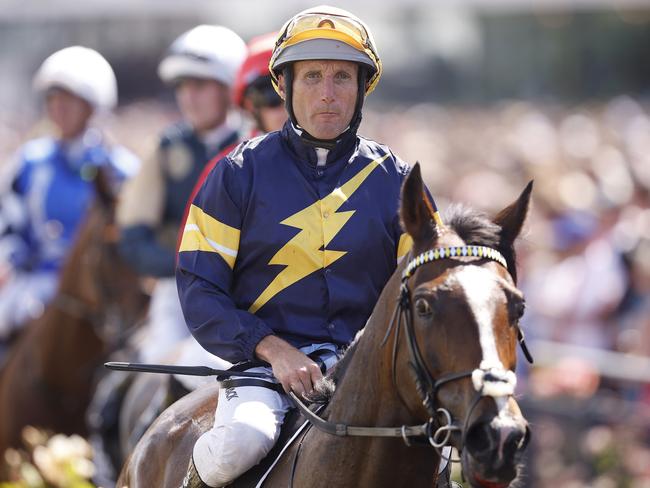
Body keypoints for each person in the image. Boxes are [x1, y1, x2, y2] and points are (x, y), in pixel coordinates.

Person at [176, 7, 451, 487]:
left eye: (343, 77)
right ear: (284, 86)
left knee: (454, 459)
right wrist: (272, 349)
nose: (328, 94)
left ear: (362, 87)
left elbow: (432, 289)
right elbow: (200, 290)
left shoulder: (400, 182)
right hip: (263, 374)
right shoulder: (236, 174)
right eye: (313, 77)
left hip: (373, 378)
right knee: (239, 444)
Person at [116, 25, 247, 364]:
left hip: (246, 290)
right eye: (182, 86)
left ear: (230, 88)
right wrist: (189, 265)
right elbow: (132, 237)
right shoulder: (165, 147)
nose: (188, 97)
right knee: (155, 365)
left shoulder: (256, 146)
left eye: (200, 85)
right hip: (176, 292)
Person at [0, 46, 138, 347]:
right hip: (36, 281)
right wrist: (11, 261)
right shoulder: (29, 162)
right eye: (52, 99)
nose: (58, 108)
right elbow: (7, 225)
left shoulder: (121, 169)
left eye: (69, 99)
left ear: (92, 106)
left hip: (101, 290)